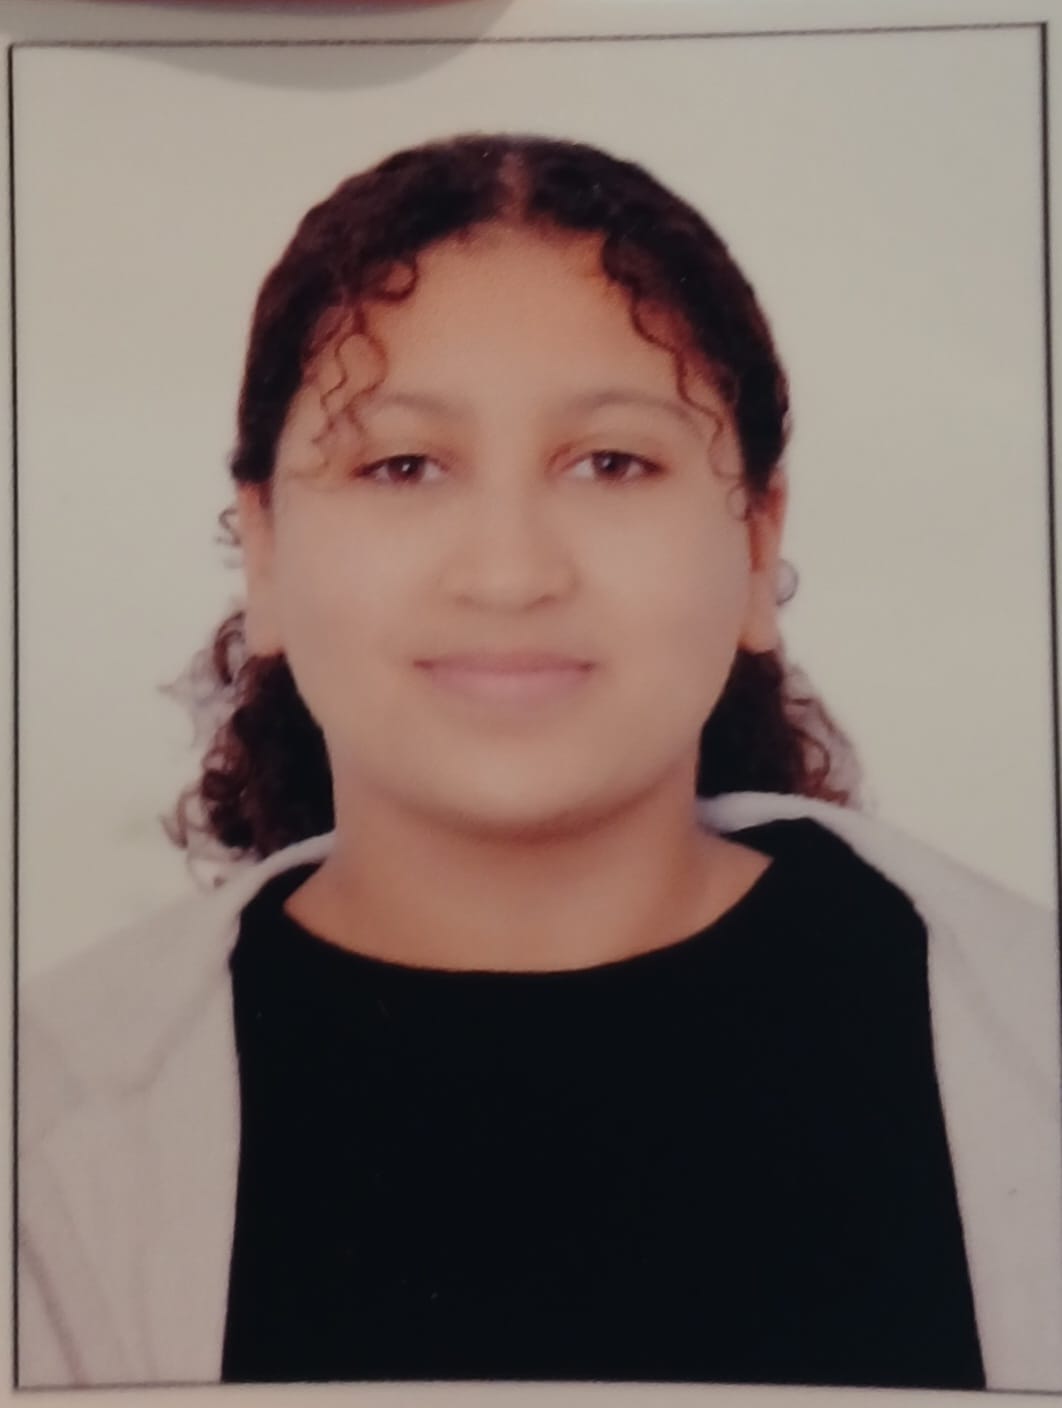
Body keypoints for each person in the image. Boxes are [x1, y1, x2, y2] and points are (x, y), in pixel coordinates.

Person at [17, 133, 1062, 1392]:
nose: (510, 573)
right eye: (403, 465)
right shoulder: (44, 1132)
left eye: (612, 463)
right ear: (267, 554)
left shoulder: (1026, 1043)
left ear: (756, 543)